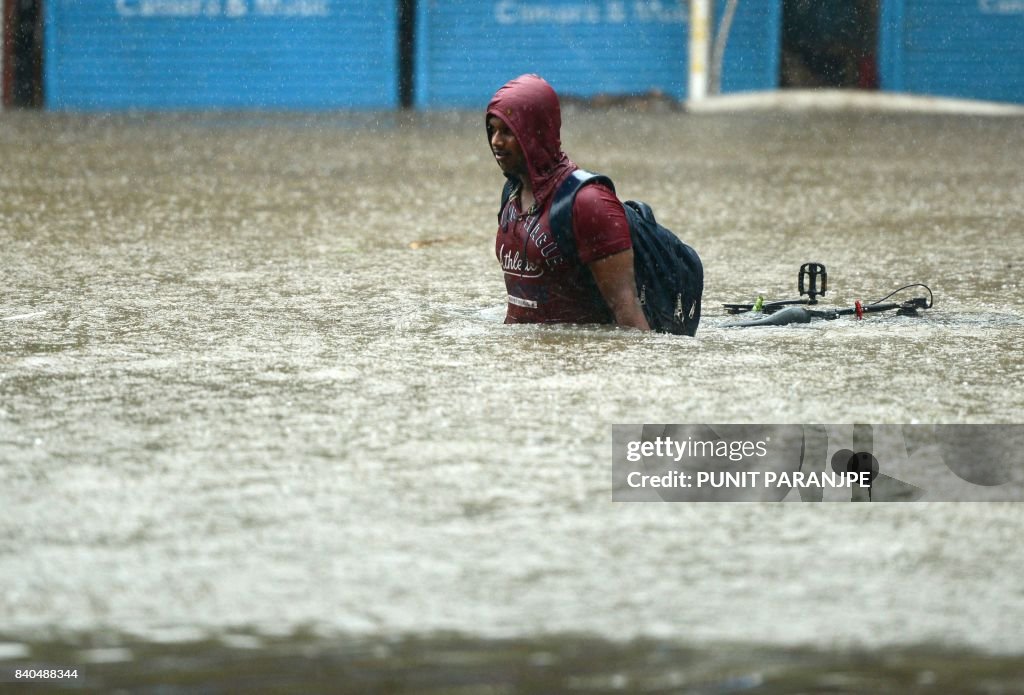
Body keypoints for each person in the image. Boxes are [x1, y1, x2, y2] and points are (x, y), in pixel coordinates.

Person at [486, 74, 650, 330]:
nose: (496, 141)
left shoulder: (588, 202)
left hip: (574, 363)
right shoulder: (511, 194)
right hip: (522, 361)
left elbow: (627, 314)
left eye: (507, 131)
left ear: (534, 133)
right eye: (492, 130)